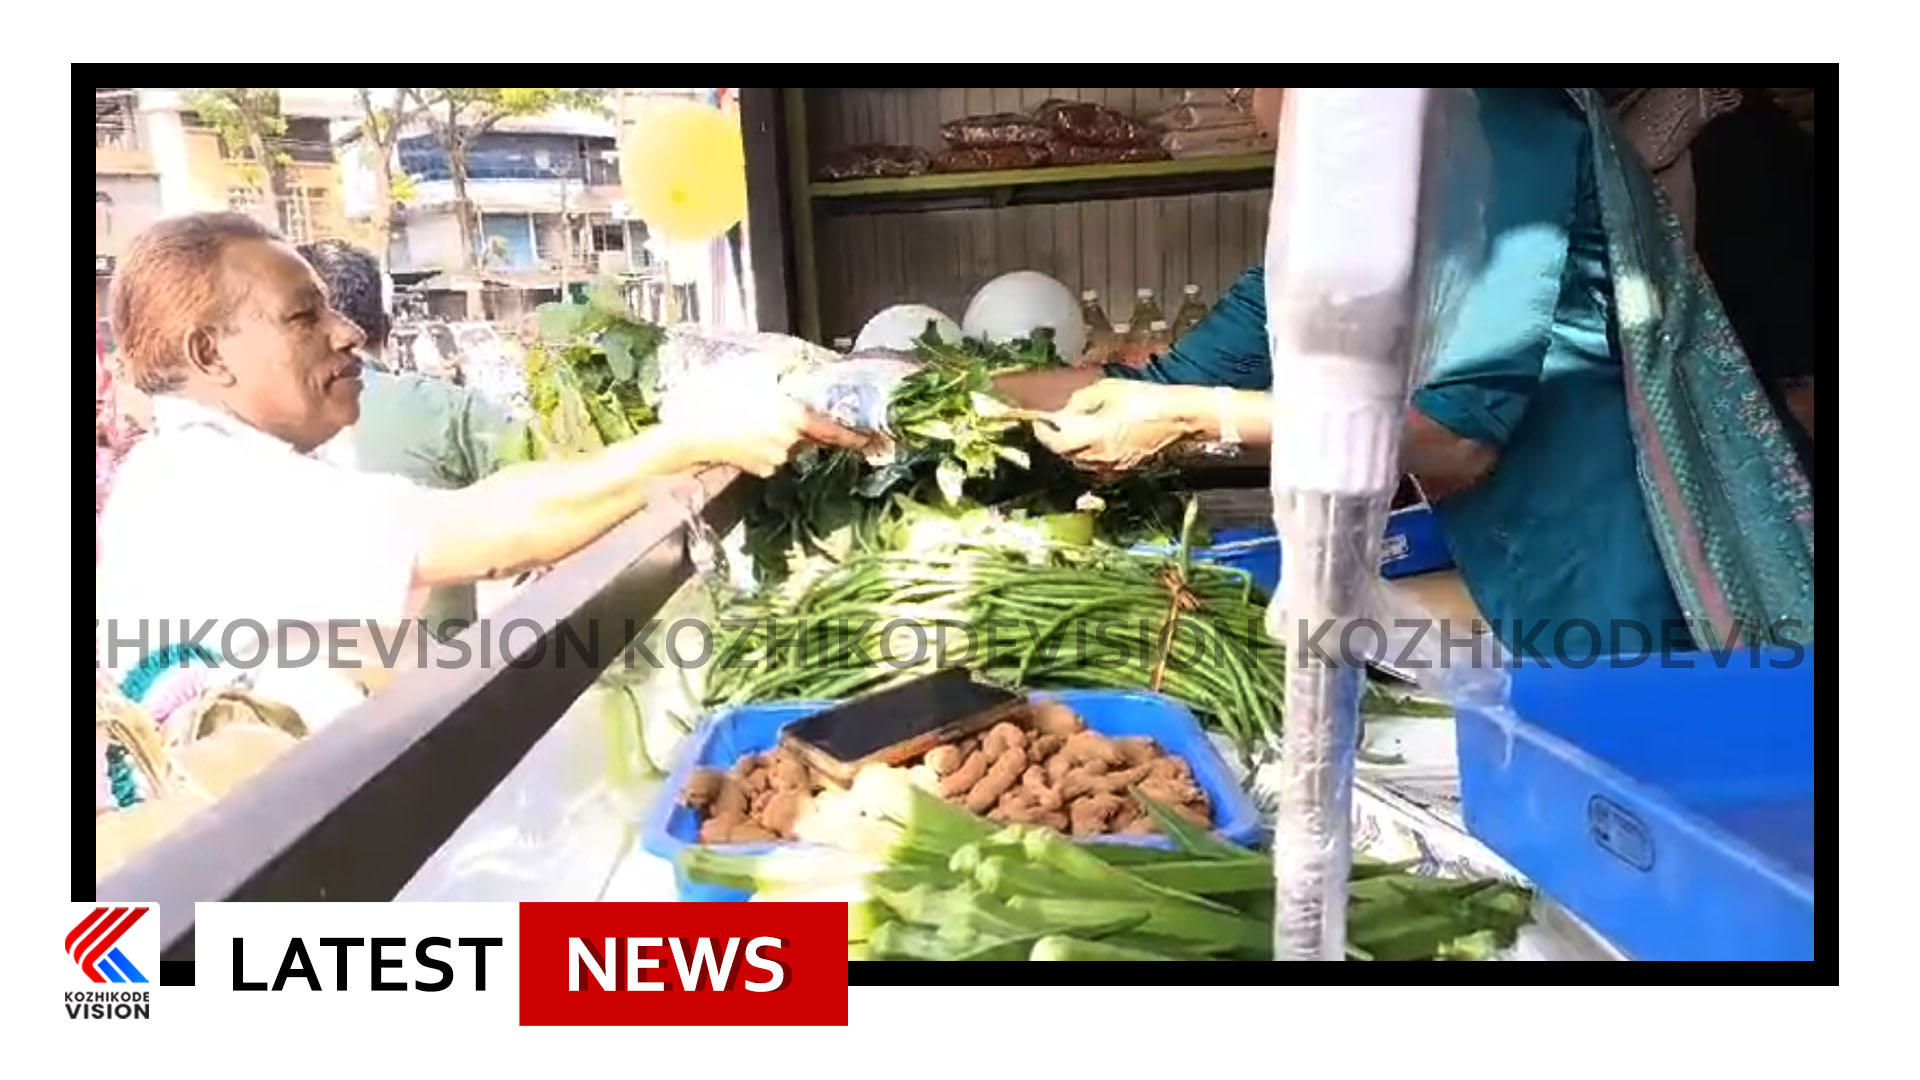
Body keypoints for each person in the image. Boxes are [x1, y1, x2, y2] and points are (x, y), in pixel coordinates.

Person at [1000, 88, 1815, 655]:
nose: (1255, 120)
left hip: (1626, 580)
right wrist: (915, 397)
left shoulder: (1502, 130)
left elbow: (1456, 441)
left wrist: (1196, 418)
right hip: (1525, 578)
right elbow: (1165, 381)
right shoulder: (1338, 232)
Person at [97, 212, 866, 728]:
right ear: (209, 355)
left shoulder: (235, 467)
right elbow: (493, 528)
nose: (348, 332)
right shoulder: (205, 487)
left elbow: (380, 646)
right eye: (304, 317)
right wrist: (692, 439)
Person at [298, 239, 520, 639]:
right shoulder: (445, 410)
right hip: (444, 685)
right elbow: (550, 493)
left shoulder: (226, 446)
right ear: (385, 317)